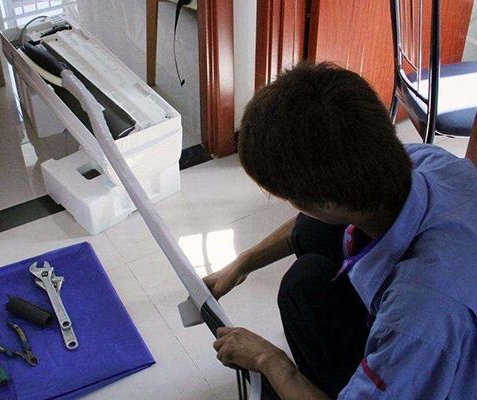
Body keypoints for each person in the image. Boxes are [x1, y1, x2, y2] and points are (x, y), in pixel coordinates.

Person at [204, 62, 477, 399]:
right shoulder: (427, 160)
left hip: (447, 354)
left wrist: (270, 360)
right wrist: (242, 263)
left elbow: (420, 319)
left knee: (299, 297)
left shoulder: (417, 320)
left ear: (325, 203)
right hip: (446, 286)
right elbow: (313, 219)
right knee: (307, 266)